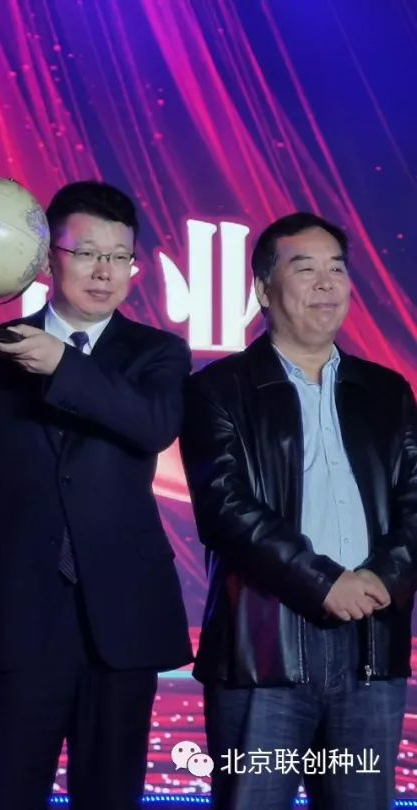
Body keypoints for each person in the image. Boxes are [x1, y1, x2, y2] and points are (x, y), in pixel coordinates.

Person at [0, 180, 192, 809]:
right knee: (7, 792)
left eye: (119, 257)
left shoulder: (157, 352)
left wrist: (60, 364)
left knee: (111, 795)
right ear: (48, 259)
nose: (103, 272)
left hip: (122, 615)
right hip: (13, 612)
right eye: (87, 254)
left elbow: (152, 426)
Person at [180, 212, 417, 809]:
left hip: (370, 645)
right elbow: (225, 510)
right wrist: (324, 582)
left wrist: (380, 578)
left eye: (336, 268)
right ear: (264, 290)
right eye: (305, 268)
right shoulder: (218, 389)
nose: (326, 283)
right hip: (264, 652)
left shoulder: (387, 392)